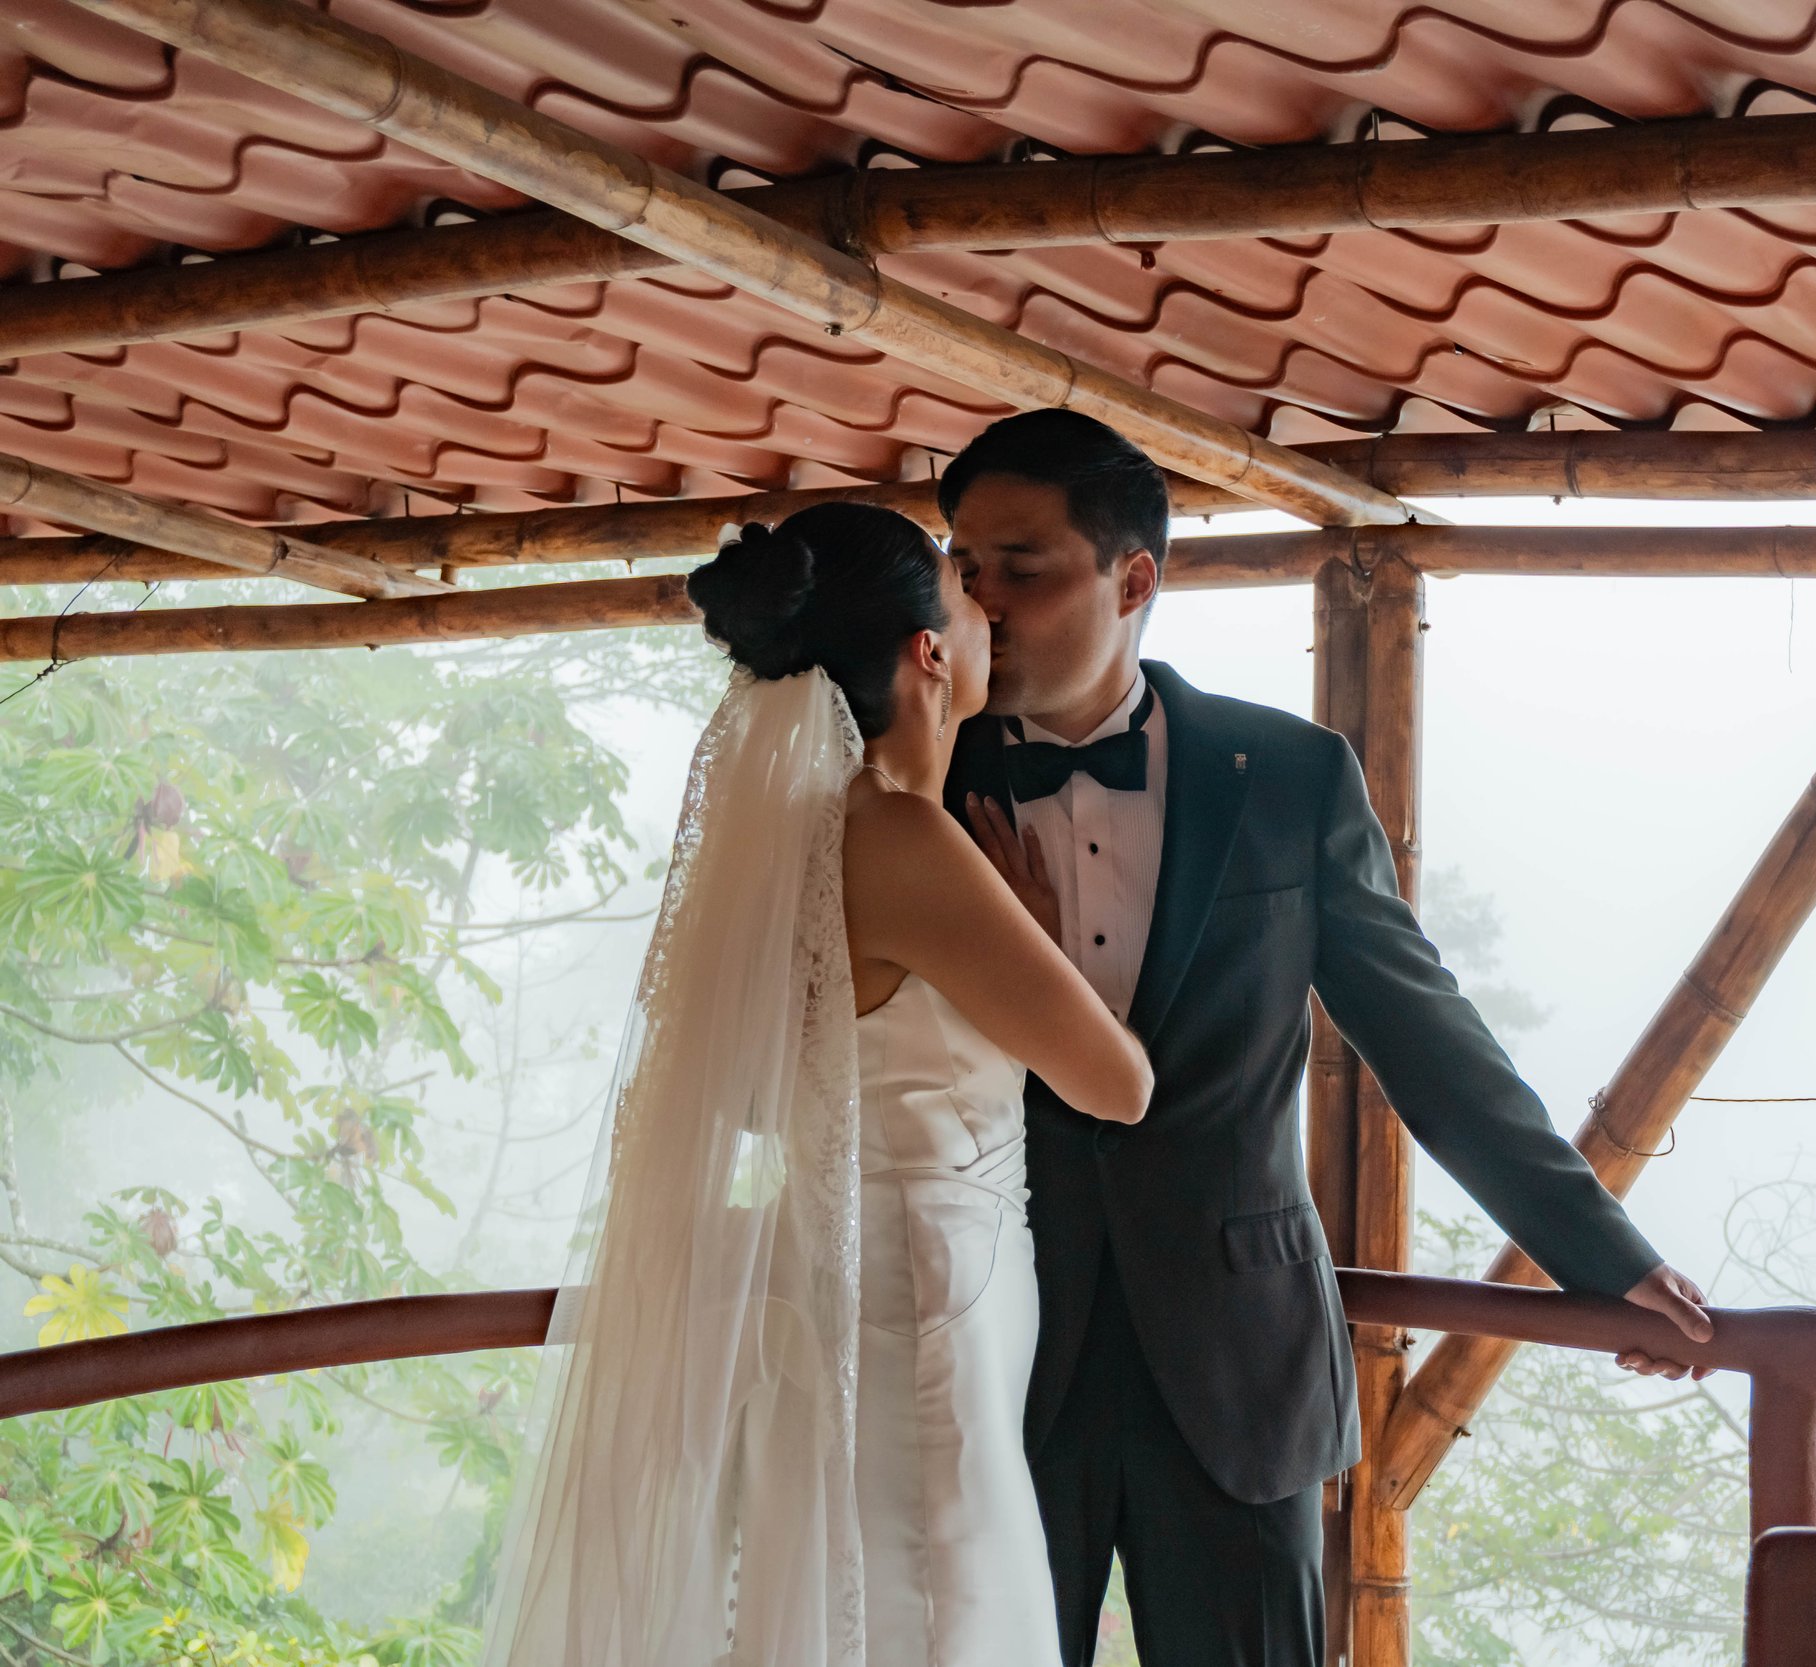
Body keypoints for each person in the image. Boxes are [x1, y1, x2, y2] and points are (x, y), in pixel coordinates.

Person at [938, 411, 1715, 1667]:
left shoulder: (1289, 775)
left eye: (1019, 565)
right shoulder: (913, 785)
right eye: (962, 563)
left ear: (1133, 578)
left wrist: (1600, 1249)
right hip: (991, 1346)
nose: (980, 600)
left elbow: (1426, 1039)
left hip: (1240, 1363)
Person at [479, 502, 1149, 1667]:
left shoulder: (796, 835)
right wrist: (1035, 951)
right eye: (960, 586)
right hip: (929, 1295)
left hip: (843, 1272)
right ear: (927, 652)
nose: (985, 602)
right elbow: (1116, 1084)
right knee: (937, 1599)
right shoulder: (901, 837)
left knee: (876, 1589)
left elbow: (737, 1083)